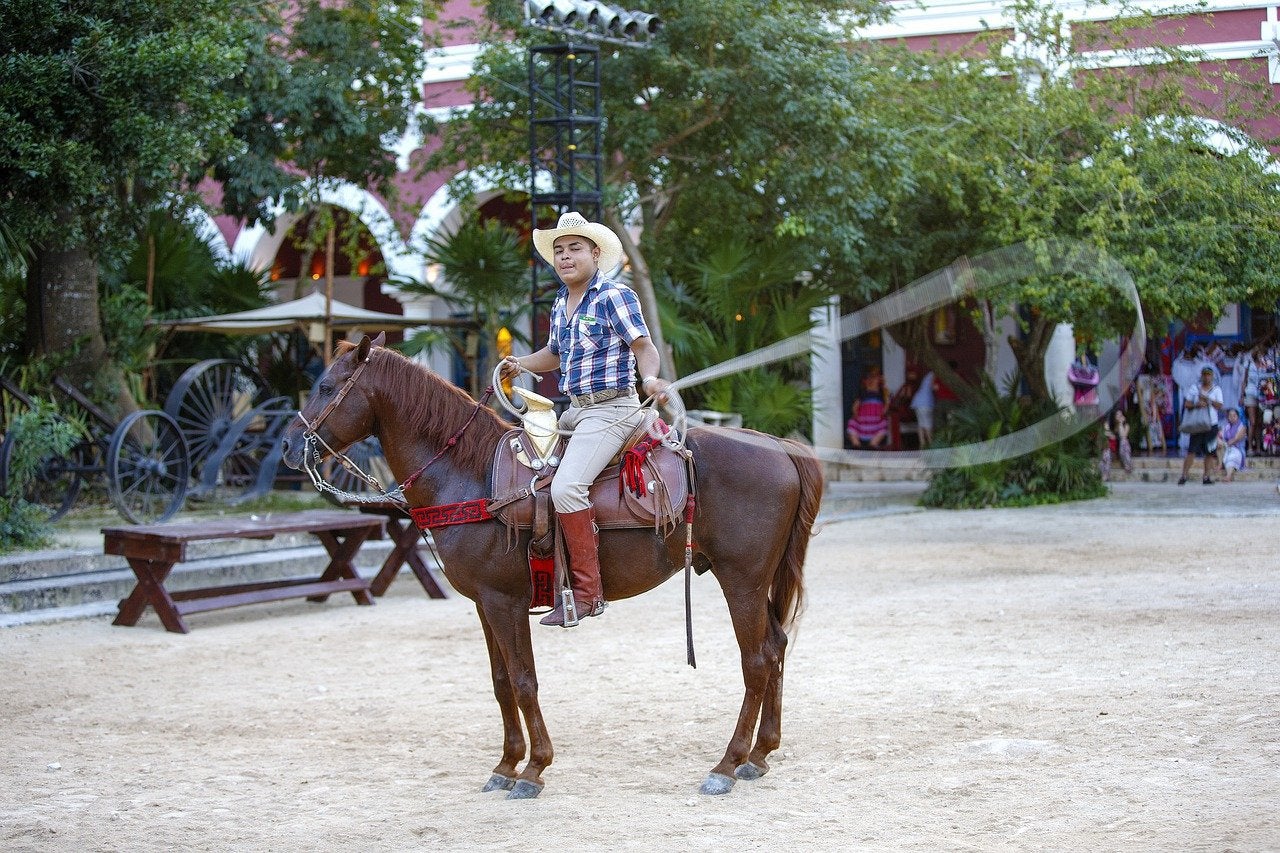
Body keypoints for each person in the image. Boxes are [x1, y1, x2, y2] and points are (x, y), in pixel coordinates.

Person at [498, 211, 670, 628]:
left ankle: (589, 593)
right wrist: (519, 364)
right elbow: (554, 354)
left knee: (567, 488)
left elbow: (643, 345)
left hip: (613, 409)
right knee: (532, 480)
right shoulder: (561, 302)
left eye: (574, 248)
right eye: (558, 250)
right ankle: (547, 579)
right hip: (574, 411)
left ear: (596, 253)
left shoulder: (615, 295)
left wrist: (649, 378)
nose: (565, 256)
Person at [1178, 366, 1223, 486]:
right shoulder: (1194, 388)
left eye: (1209, 375)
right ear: (1202, 376)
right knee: (1191, 450)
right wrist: (1196, 405)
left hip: (1211, 424)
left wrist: (1207, 399)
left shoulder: (1216, 389)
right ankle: (1184, 475)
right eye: (1205, 375)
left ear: (1212, 376)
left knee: (1209, 452)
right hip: (1198, 424)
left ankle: (1206, 476)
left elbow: (1219, 405)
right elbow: (1187, 404)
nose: (1207, 377)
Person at [846, 367, 890, 449]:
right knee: (852, 424)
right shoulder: (863, 393)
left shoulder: (882, 393)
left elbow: (886, 405)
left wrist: (883, 413)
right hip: (862, 420)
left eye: (874, 378)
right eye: (869, 378)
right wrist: (856, 415)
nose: (871, 381)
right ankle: (856, 445)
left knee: (883, 426)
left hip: (876, 420)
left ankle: (873, 444)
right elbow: (855, 406)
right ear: (865, 381)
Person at [1219, 407, 1246, 482]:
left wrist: (1226, 443)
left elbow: (1236, 439)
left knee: (1231, 458)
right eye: (1230, 416)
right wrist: (1220, 441)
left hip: (1237, 449)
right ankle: (1220, 464)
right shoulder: (1226, 426)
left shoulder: (1242, 427)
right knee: (1219, 445)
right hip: (1227, 448)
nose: (1232, 418)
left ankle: (1228, 476)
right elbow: (1220, 436)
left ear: (1237, 416)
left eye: (1234, 416)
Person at [911, 369, 936, 448]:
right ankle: (931, 444)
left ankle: (922, 444)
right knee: (928, 424)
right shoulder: (934, 375)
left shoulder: (928, 375)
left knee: (921, 424)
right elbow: (934, 387)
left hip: (918, 401)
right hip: (926, 402)